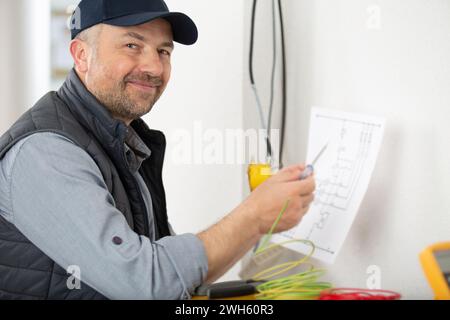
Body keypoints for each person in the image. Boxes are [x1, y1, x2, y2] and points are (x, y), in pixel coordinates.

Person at [0, 0, 315, 300]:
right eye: (132, 45)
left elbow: (172, 281)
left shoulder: (125, 143)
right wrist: (254, 217)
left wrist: (259, 219)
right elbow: (144, 283)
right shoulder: (45, 152)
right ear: (81, 55)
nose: (153, 66)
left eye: (163, 51)